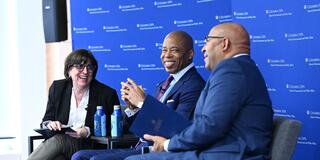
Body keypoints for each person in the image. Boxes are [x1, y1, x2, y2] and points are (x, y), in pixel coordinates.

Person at [125, 22, 274, 160]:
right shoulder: (243, 68)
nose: (203, 48)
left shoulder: (231, 69)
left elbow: (210, 125)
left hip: (228, 155)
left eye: (207, 41)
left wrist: (167, 145)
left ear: (225, 43)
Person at [71, 31, 206, 160]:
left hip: (157, 151)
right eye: (164, 50)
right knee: (79, 156)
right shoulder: (163, 84)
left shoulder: (194, 85)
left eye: (174, 50)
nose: (167, 55)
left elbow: (176, 130)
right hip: (138, 145)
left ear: (190, 54)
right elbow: (146, 126)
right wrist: (133, 108)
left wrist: (143, 102)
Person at [27, 49, 120, 160]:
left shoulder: (107, 93)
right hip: (60, 148)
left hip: (89, 146)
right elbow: (46, 120)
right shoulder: (58, 88)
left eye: (89, 67)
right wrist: (50, 124)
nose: (85, 71)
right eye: (80, 66)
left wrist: (88, 131)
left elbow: (114, 127)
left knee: (59, 141)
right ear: (69, 70)